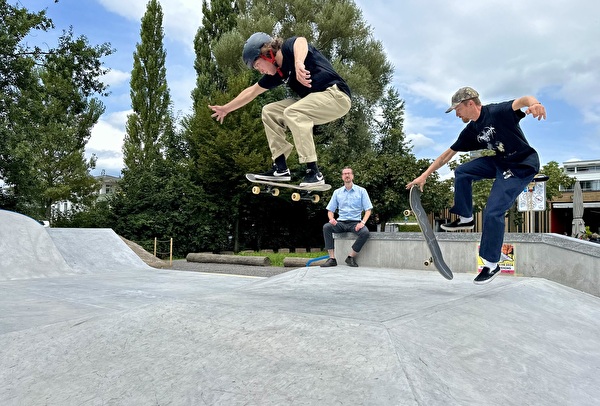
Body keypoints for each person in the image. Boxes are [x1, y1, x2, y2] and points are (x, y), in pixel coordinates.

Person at [406, 87, 546, 284]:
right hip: (500, 162)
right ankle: (466, 217)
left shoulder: (497, 112)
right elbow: (447, 155)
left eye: (458, 109)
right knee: (462, 171)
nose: (456, 114)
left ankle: (491, 264)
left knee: (492, 211)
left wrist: (534, 104)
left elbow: (523, 99)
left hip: (522, 165)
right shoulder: (471, 130)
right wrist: (424, 176)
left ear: (470, 103)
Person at [208, 32, 351, 186]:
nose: (259, 71)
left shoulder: (288, 48)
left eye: (257, 65)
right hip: (315, 102)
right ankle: (280, 168)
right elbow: (252, 91)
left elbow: (301, 41)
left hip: (336, 96)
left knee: (293, 112)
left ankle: (313, 172)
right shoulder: (277, 74)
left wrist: (298, 63)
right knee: (270, 111)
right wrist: (226, 109)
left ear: (267, 53)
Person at [321, 167, 372, 267]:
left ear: (352, 176)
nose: (347, 175)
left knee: (365, 233)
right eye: (344, 174)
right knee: (326, 227)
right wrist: (331, 219)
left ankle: (350, 257)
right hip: (341, 223)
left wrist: (362, 223)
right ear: (342, 177)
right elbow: (330, 210)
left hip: (355, 223)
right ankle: (332, 259)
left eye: (349, 173)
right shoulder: (337, 192)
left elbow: (368, 210)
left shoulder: (361, 191)